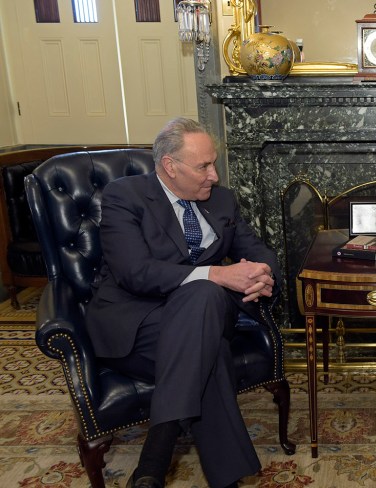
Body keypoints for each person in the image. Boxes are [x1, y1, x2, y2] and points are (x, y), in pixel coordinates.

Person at [86, 118, 281, 488]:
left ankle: (153, 464)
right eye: (204, 166)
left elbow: (259, 251)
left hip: (206, 314)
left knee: (204, 300)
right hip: (137, 324)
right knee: (210, 347)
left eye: (214, 163)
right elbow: (134, 272)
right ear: (170, 166)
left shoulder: (222, 200)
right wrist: (216, 274)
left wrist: (262, 274)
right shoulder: (124, 196)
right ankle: (226, 478)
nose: (214, 175)